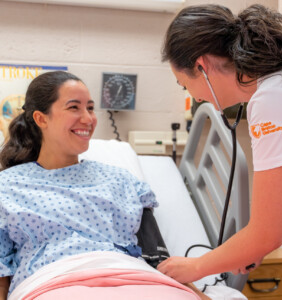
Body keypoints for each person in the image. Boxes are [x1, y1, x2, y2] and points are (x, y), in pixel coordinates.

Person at [0, 71, 204, 300]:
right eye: (74, 107)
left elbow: (158, 257)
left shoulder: (120, 180)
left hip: (136, 279)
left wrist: (195, 294)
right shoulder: (8, 186)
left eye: (90, 107)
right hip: (53, 283)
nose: (88, 119)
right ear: (41, 118)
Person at [157, 3, 282, 284]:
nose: (196, 98)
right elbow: (268, 234)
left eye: (184, 84)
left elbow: (265, 232)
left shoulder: (273, 99)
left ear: (202, 65)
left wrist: (197, 267)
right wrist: (247, 248)